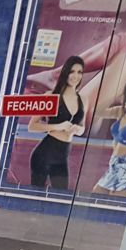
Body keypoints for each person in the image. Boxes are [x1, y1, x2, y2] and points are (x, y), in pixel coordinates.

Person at [28, 55, 86, 190]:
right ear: (65, 73)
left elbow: (82, 127)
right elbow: (32, 126)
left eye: (79, 72)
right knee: (36, 194)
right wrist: (58, 126)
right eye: (72, 71)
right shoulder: (51, 96)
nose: (76, 76)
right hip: (44, 154)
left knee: (61, 194)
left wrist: (78, 130)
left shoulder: (83, 99)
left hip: (62, 157)